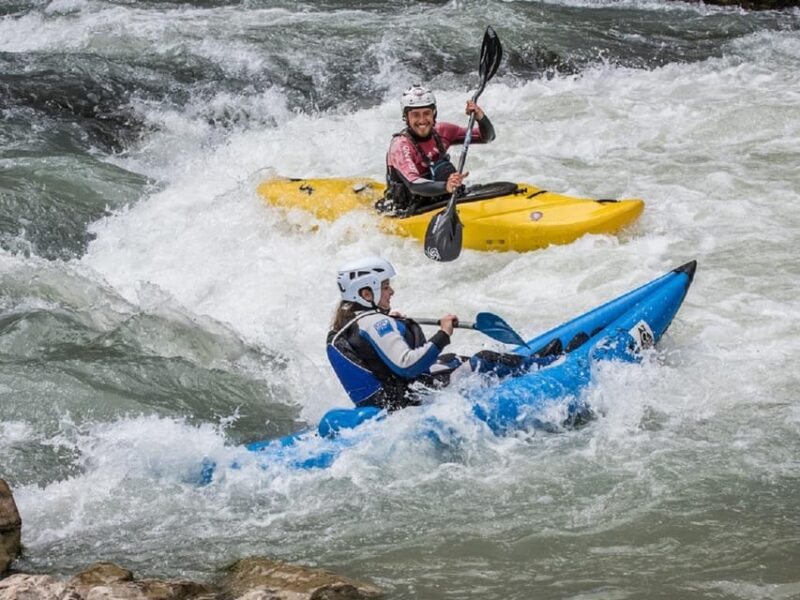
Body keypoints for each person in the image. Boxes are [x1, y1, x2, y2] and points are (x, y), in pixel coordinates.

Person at [326, 256, 551, 411]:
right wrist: (444, 333)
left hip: (387, 399)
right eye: (385, 287)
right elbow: (407, 365)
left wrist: (393, 323)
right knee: (485, 359)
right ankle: (549, 366)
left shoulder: (347, 322)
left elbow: (372, 353)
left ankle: (531, 359)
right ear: (366, 293)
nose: (391, 291)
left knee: (451, 360)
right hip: (408, 401)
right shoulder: (375, 323)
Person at [378, 84, 496, 216]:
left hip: (440, 198)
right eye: (415, 115)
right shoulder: (400, 145)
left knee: (444, 168)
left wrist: (480, 117)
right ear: (406, 117)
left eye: (426, 113)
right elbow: (413, 184)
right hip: (408, 209)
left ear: (434, 114)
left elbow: (487, 137)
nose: (422, 120)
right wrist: (446, 186)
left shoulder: (443, 131)